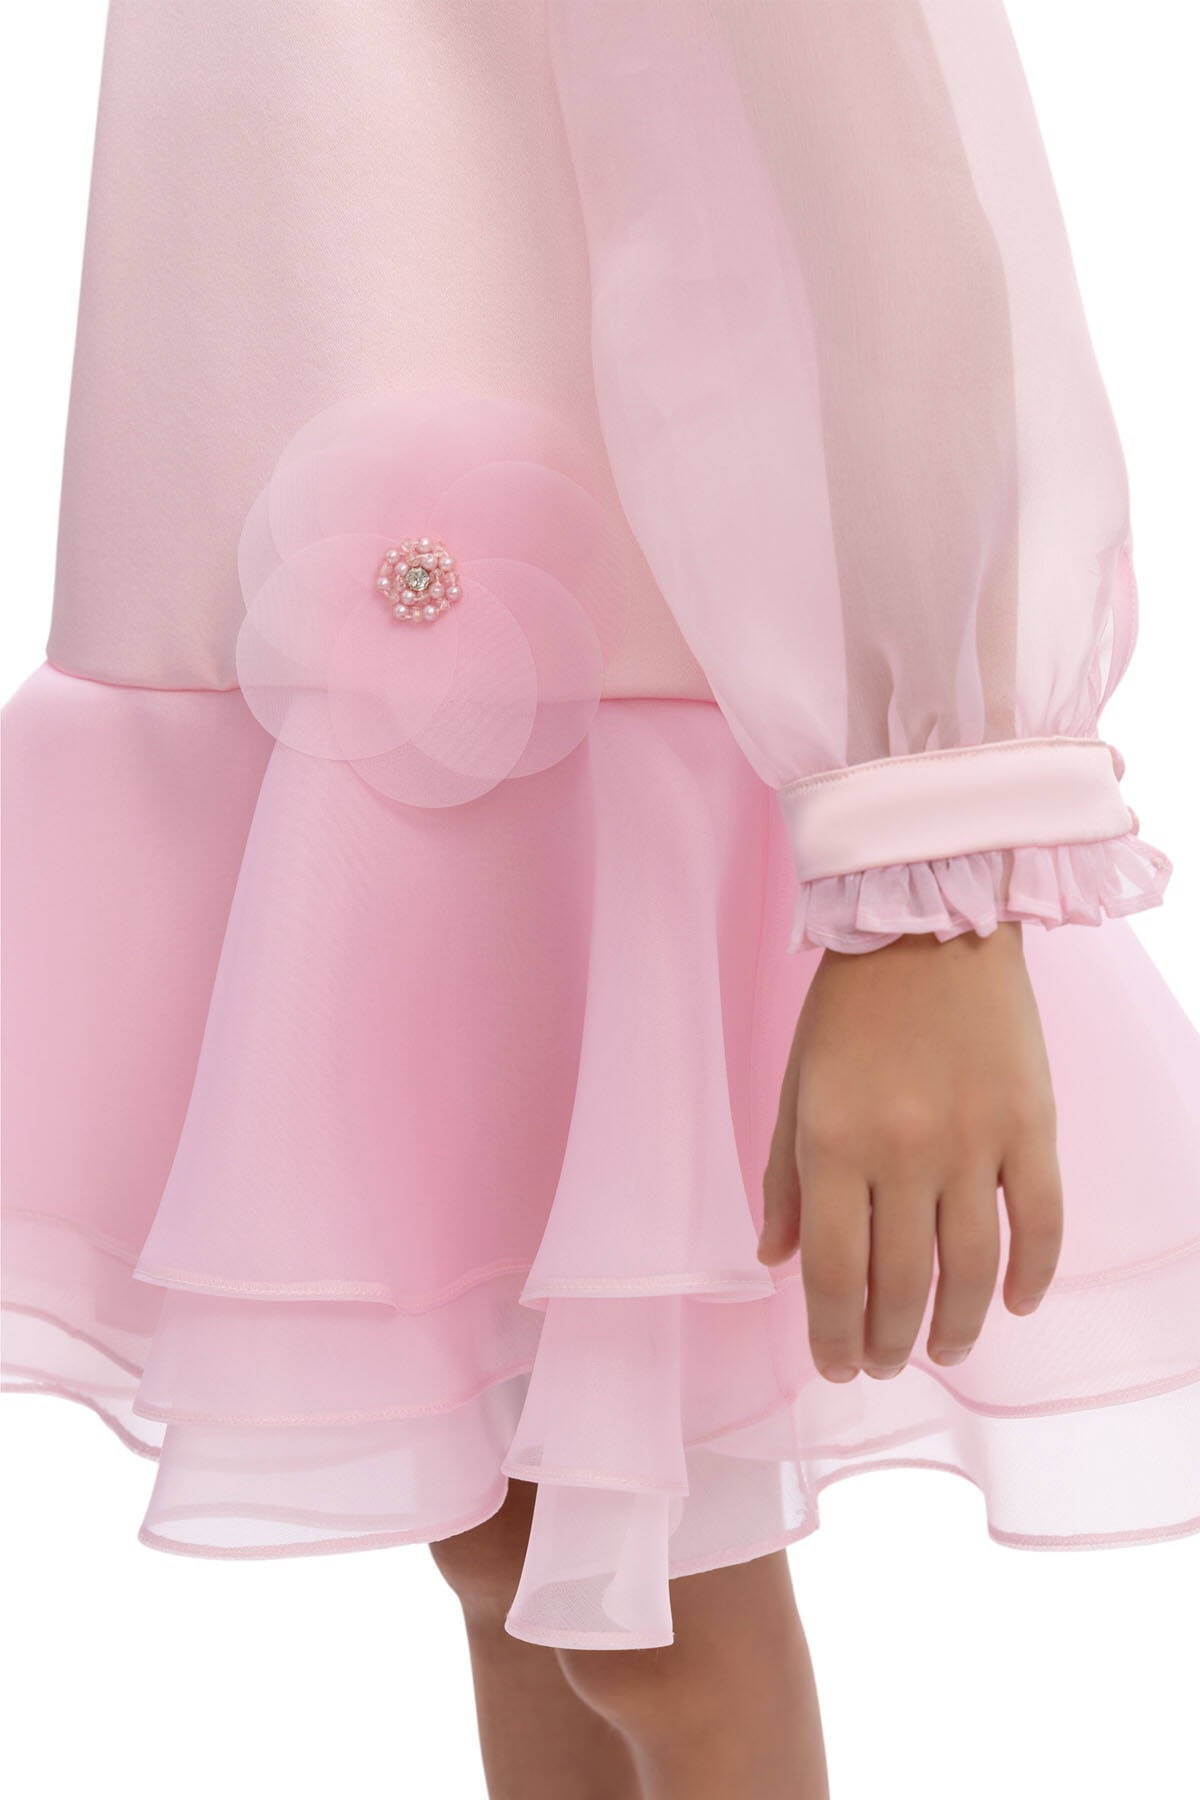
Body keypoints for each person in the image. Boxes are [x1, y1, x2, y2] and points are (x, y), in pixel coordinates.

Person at [3, 6, 1197, 1797]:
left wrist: (931, 850)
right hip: (344, 725)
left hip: (620, 714)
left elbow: (873, 164)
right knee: (515, 1569)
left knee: (654, 1619)